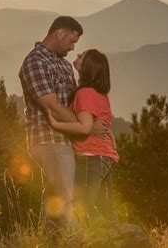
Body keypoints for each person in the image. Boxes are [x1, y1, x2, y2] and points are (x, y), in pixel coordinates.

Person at [18, 16, 107, 229]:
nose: (73, 47)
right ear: (60, 34)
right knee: (67, 200)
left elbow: (76, 103)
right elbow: (54, 108)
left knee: (55, 199)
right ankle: (77, 241)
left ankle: (44, 240)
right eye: (71, 41)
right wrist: (88, 127)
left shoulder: (64, 65)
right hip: (49, 139)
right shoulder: (35, 62)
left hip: (67, 139)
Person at [48, 49, 119, 223]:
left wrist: (56, 124)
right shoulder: (100, 93)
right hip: (105, 155)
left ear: (89, 67)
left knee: (84, 205)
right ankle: (118, 238)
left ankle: (100, 239)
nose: (77, 56)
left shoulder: (84, 93)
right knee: (106, 207)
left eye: (82, 56)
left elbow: (85, 128)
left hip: (91, 156)